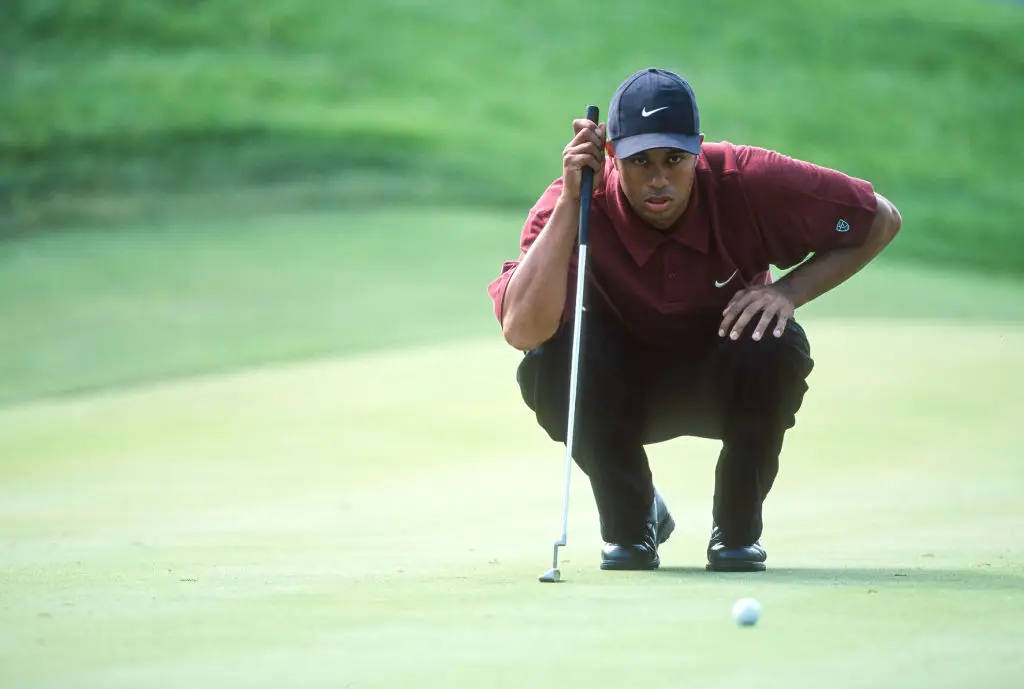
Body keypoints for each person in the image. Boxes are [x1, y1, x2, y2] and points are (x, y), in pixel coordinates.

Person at [486, 67, 902, 572]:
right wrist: (573, 202)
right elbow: (522, 332)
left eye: (674, 159)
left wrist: (788, 291)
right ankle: (632, 522)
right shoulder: (573, 204)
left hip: (725, 377)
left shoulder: (745, 178)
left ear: (698, 150)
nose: (659, 178)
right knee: (548, 365)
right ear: (611, 156)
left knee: (773, 342)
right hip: (621, 390)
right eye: (640, 161)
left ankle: (736, 530)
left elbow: (879, 217)